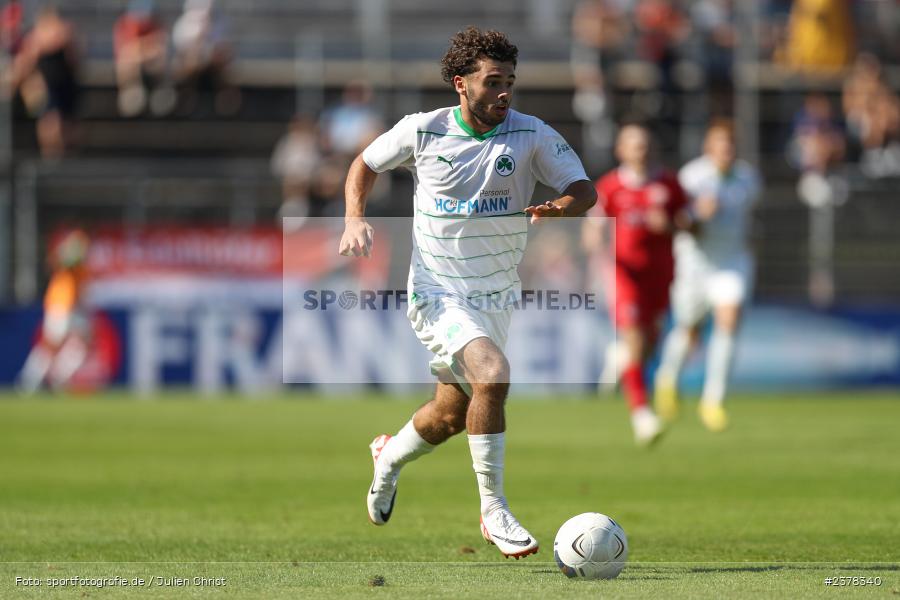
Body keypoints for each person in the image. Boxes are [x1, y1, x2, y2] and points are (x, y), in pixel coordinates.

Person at [338, 27, 596, 559]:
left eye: (510, 82)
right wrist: (354, 218)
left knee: (452, 415)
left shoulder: (531, 134)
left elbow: (583, 188)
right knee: (494, 375)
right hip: (436, 290)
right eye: (493, 82)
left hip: (496, 295)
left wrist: (564, 206)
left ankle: (388, 457)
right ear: (461, 84)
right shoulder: (423, 131)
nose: (504, 93)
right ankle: (493, 509)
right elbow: (364, 163)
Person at [583, 123, 689, 446]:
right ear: (621, 151)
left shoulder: (669, 183)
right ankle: (642, 415)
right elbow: (592, 229)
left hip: (660, 275)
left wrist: (669, 225)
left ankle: (620, 359)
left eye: (644, 143)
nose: (640, 150)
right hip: (623, 274)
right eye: (633, 144)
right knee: (635, 338)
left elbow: (689, 224)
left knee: (649, 345)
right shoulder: (610, 187)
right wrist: (596, 238)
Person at [654, 121, 761, 432]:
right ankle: (667, 378)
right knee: (689, 329)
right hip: (695, 264)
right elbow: (680, 221)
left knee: (729, 318)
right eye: (720, 144)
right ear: (709, 147)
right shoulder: (692, 178)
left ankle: (714, 399)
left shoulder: (748, 178)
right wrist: (698, 215)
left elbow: (748, 219)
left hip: (731, 263)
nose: (726, 150)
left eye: (730, 144)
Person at [18, 230, 91, 393]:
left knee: (81, 345)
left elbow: (83, 291)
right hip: (59, 307)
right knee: (50, 346)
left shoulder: (82, 269)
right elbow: (53, 262)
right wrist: (69, 253)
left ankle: (58, 376)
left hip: (73, 309)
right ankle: (29, 380)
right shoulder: (65, 263)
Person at [9, 6, 79, 159]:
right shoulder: (36, 38)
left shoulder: (64, 33)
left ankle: (64, 156)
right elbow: (26, 62)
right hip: (48, 86)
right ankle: (51, 156)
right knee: (50, 122)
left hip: (64, 84)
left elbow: (74, 60)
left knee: (65, 123)